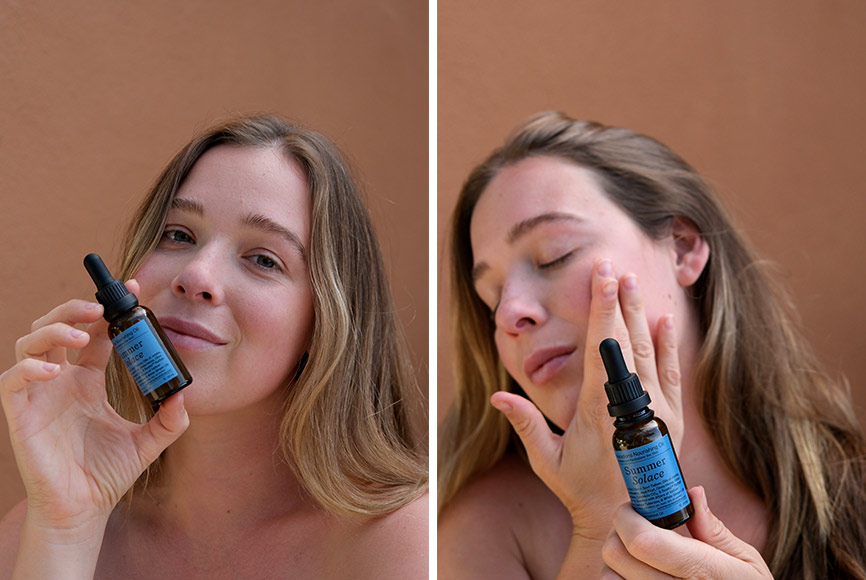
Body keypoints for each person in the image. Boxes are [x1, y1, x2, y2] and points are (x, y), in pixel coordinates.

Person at [437, 111, 866, 579]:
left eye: (555, 254)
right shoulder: (483, 533)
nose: (510, 312)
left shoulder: (852, 493)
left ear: (681, 246)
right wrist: (599, 517)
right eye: (490, 298)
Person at [0, 114, 428, 579]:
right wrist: (66, 530)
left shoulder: (401, 544)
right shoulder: (34, 533)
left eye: (264, 259)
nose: (197, 276)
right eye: (178, 235)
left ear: (324, 320)